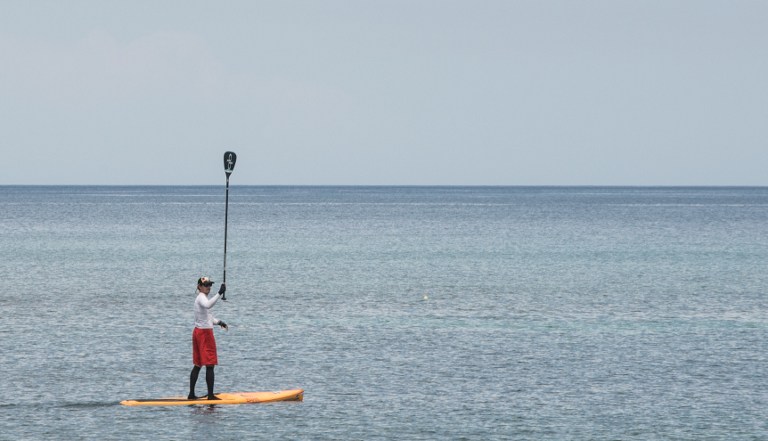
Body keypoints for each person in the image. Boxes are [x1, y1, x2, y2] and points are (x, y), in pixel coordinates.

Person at [189, 276, 228, 400]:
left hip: (198, 332)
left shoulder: (201, 298)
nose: (208, 287)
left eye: (210, 285)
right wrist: (219, 293)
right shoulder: (201, 297)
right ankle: (210, 396)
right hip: (204, 334)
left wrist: (219, 322)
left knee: (198, 364)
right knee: (210, 364)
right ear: (199, 287)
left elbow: (207, 317)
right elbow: (208, 306)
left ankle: (191, 395)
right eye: (206, 285)